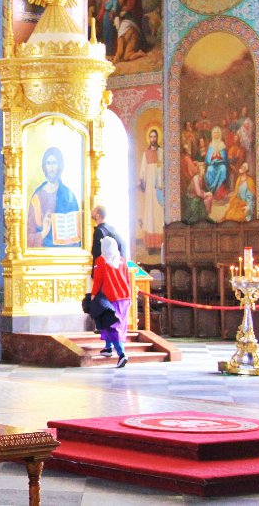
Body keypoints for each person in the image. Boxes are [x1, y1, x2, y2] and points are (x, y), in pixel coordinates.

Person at [27, 146, 81, 248]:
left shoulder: (68, 195)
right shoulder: (37, 198)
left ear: (59, 166)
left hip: (65, 250)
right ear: (44, 167)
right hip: (43, 250)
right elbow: (28, 237)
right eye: (48, 163)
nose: (51, 167)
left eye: (54, 163)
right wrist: (44, 232)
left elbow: (77, 233)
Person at [91, 236, 132, 367]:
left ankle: (121, 354)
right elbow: (128, 279)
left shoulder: (101, 260)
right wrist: (130, 296)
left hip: (110, 298)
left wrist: (93, 295)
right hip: (124, 298)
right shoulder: (122, 260)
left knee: (110, 326)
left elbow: (98, 280)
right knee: (117, 325)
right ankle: (108, 348)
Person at [138, 129, 164, 254]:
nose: (153, 139)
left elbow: (164, 167)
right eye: (151, 137)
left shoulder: (161, 151)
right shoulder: (146, 153)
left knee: (159, 213)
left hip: (159, 187)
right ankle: (150, 245)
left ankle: (161, 244)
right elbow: (143, 170)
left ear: (157, 138)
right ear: (149, 138)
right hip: (149, 188)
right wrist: (141, 181)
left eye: (155, 136)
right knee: (150, 214)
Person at [90, 206, 126, 274]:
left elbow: (97, 254)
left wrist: (94, 273)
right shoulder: (111, 229)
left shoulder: (99, 231)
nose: (91, 213)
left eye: (93, 211)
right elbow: (122, 244)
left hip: (105, 272)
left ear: (97, 216)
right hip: (116, 270)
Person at [204, 126, 229, 200]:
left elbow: (224, 158)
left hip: (221, 164)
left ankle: (219, 192)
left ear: (220, 134)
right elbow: (207, 159)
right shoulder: (211, 144)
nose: (216, 134)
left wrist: (218, 157)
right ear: (212, 134)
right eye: (214, 133)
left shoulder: (222, 144)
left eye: (217, 133)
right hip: (212, 165)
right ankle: (211, 190)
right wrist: (213, 157)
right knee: (210, 169)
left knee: (223, 169)